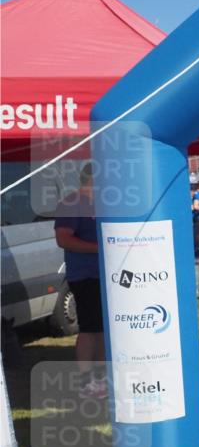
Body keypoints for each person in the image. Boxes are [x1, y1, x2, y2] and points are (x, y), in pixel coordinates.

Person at [54, 163, 105, 398]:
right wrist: (100, 249)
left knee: (102, 329)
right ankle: (87, 382)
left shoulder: (100, 203)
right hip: (85, 275)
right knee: (90, 329)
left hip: (103, 276)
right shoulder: (72, 203)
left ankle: (100, 379)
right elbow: (63, 239)